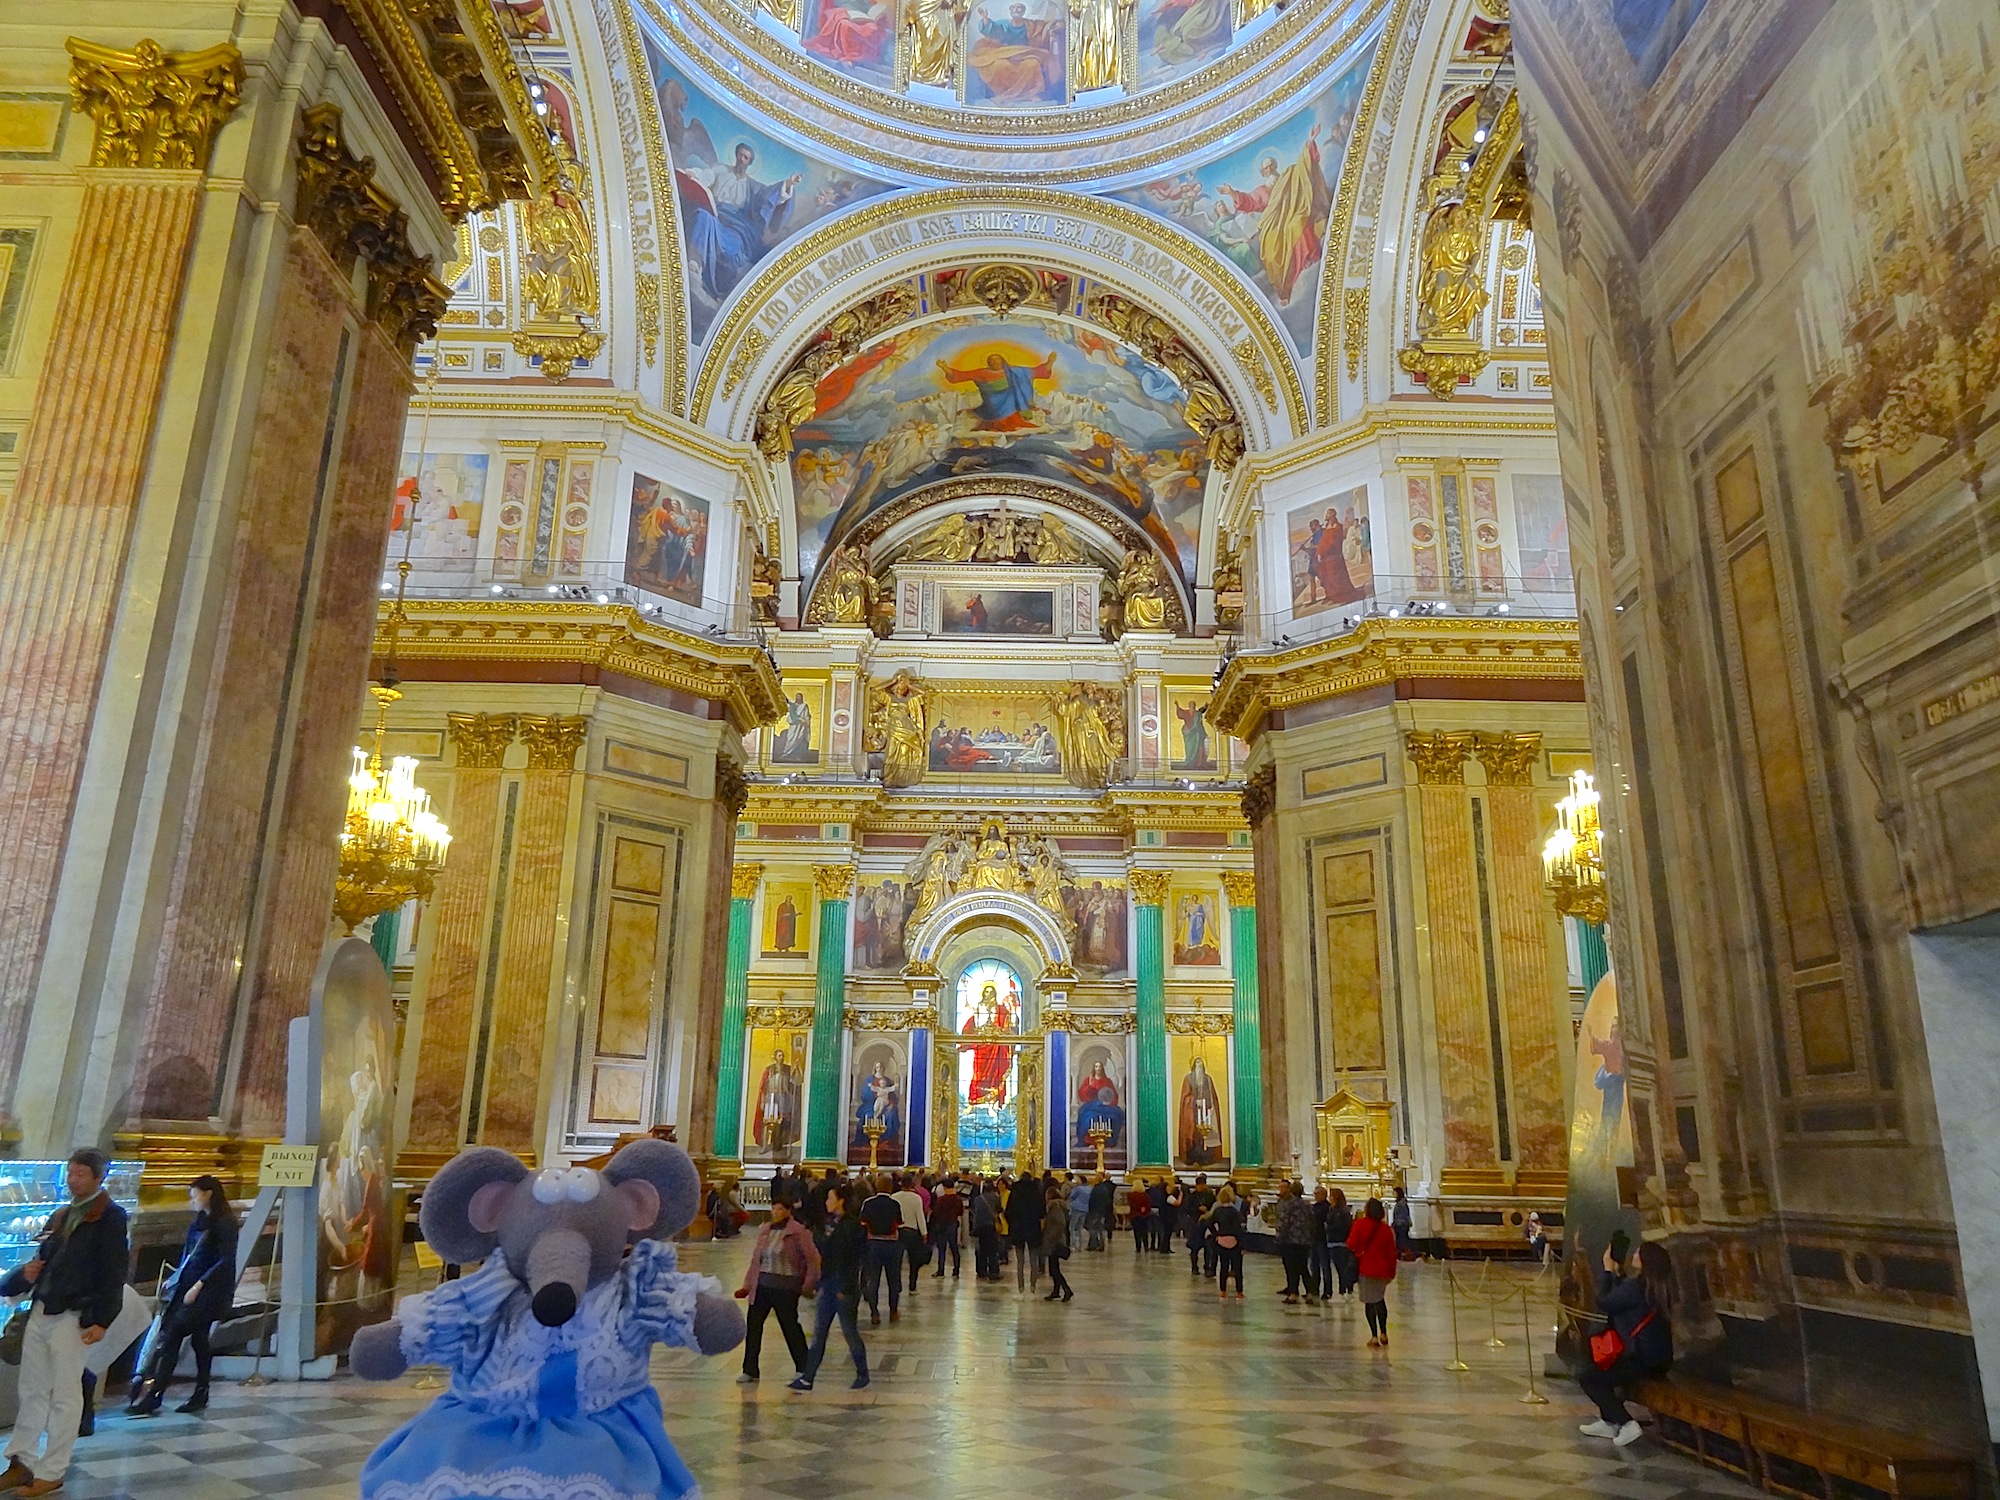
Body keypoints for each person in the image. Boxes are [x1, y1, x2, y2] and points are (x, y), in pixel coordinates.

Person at [0, 1150, 129, 1497]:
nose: (73, 1180)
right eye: (70, 1173)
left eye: (81, 1174)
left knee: (65, 1395)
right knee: (32, 1388)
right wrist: (27, 1273)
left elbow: (114, 1272)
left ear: (97, 1178)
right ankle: (22, 1461)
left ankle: (52, 1469)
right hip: (44, 1307)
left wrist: (102, 1319)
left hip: (75, 1314)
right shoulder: (62, 1215)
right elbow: (43, 1258)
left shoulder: (110, 1218)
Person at [128, 1176, 239, 1415]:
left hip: (208, 1291)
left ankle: (157, 1394)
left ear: (208, 1193)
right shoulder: (199, 1221)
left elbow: (226, 1260)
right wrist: (177, 1276)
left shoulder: (226, 1223)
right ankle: (200, 1391)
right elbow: (189, 1253)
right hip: (187, 1286)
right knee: (198, 1340)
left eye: (195, 1194)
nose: (192, 1200)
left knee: (174, 1334)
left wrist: (200, 1284)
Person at [1579, 1241, 1675, 1446]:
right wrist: (1618, 1274)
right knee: (1600, 1371)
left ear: (1645, 1260)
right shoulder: (1656, 1286)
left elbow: (1604, 1301)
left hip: (1640, 1359)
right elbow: (1625, 1297)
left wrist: (1607, 1271)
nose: (1634, 1254)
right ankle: (1608, 1421)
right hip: (1659, 1359)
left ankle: (1626, 1423)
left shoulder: (1637, 1287)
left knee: (1588, 1377)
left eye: (1638, 1252)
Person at [733, 1195, 819, 1385]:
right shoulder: (765, 1230)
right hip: (762, 1285)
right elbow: (756, 1261)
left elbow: (813, 1260)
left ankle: (803, 1366)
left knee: (790, 1327)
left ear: (788, 1211)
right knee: (753, 1327)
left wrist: (807, 1286)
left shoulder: (798, 1232)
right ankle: (750, 1370)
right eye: (774, 1208)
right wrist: (747, 1286)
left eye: (780, 1209)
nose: (776, 1212)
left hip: (786, 1288)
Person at [792, 1185, 867, 1391]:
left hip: (844, 1286)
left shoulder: (853, 1227)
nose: (826, 1202)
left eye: (830, 1198)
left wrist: (848, 1287)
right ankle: (808, 1377)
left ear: (840, 1201)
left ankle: (863, 1373)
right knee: (819, 1332)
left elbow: (855, 1261)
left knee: (849, 1332)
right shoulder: (826, 1225)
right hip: (827, 1282)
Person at [1348, 1197, 1399, 1347]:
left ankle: (1374, 1336)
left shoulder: (1360, 1224)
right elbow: (1391, 1252)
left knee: (1369, 1302)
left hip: (1366, 1268)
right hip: (1383, 1269)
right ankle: (1384, 1332)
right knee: (1379, 1299)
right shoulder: (1386, 1229)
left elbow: (1351, 1244)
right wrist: (1392, 1271)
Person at [857, 1176, 904, 1326]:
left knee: (874, 1280)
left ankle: (874, 1312)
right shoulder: (894, 1203)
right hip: (891, 1244)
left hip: (873, 1244)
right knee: (893, 1279)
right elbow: (899, 1222)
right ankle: (893, 1310)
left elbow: (862, 1222)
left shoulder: (868, 1203)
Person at [1274, 1181, 1314, 1305]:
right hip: (1304, 1240)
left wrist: (1279, 1237)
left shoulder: (1289, 1204)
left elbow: (1285, 1222)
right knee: (1303, 1267)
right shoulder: (1306, 1204)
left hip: (1290, 1240)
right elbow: (1312, 1221)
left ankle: (1293, 1294)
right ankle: (1310, 1293)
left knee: (1291, 1268)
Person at [1006, 1172, 1044, 1292]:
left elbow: (1008, 1212)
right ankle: (1033, 1285)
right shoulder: (1036, 1192)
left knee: (1020, 1260)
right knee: (1033, 1259)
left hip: (1018, 1227)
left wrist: (1012, 1223)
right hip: (1033, 1227)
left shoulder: (1015, 1192)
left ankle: (1020, 1286)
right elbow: (1042, 1212)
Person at [1206, 1186, 1245, 1300]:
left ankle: (1223, 1291)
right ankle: (1239, 1292)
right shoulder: (1234, 1212)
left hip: (1221, 1240)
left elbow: (1209, 1223)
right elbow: (1239, 1229)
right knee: (1237, 1268)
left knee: (1223, 1266)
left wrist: (1216, 1234)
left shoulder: (1218, 1211)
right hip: (1234, 1241)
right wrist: (1242, 1244)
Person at [891, 1174, 928, 1293]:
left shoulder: (894, 1197)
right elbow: (920, 1216)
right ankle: (912, 1286)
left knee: (897, 1261)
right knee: (913, 1260)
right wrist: (924, 1233)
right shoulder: (916, 1198)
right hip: (912, 1232)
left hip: (898, 1231)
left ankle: (897, 1285)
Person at [1040, 1185, 1073, 1303]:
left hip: (1054, 1241)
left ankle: (1067, 1290)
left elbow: (1060, 1223)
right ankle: (1056, 1291)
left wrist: (1050, 1236)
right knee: (1054, 1268)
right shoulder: (1061, 1205)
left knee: (1054, 1269)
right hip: (1057, 1240)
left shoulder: (1054, 1206)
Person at [929, 1178, 963, 1279]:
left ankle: (941, 1270)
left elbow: (936, 1212)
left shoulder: (941, 1200)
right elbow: (960, 1212)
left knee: (942, 1248)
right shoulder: (958, 1199)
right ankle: (956, 1270)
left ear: (944, 1187)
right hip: (952, 1224)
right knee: (954, 1248)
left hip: (942, 1225)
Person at [1327, 1189, 1358, 1297]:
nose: (1329, 1198)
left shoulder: (1340, 1211)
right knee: (1342, 1267)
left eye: (1331, 1196)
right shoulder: (1334, 1209)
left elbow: (1341, 1226)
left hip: (1339, 1241)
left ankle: (1343, 1289)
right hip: (1336, 1241)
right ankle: (1346, 1287)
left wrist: (1327, 1227)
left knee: (1341, 1268)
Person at [971, 1179, 1003, 1281]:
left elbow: (974, 1209)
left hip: (979, 1226)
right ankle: (993, 1272)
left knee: (981, 1248)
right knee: (992, 1249)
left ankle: (981, 1270)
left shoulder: (977, 1199)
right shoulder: (995, 1197)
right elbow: (999, 1209)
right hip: (990, 1225)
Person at [1086, 1174, 1114, 1252]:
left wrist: (1090, 1210)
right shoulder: (1104, 1189)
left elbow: (1092, 1201)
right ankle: (1102, 1245)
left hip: (1095, 1211)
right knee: (1101, 1229)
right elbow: (1107, 1201)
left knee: (1092, 1228)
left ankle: (1093, 1244)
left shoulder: (1096, 1189)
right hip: (1102, 1211)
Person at [1127, 1177, 1152, 1253]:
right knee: (1144, 1231)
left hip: (1134, 1215)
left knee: (1136, 1232)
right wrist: (1143, 1209)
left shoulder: (1130, 1195)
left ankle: (1138, 1247)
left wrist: (1138, 1208)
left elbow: (1131, 1205)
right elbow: (1148, 1204)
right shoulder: (1145, 1195)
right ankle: (1146, 1246)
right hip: (1144, 1215)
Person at [1391, 1184, 1416, 1260]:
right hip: (1399, 1223)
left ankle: (1410, 1253)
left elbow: (1405, 1213)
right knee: (1401, 1240)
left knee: (1403, 1240)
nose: (1393, 1195)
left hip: (1401, 1224)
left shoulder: (1402, 1203)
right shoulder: (1400, 1203)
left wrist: (1408, 1221)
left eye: (1394, 1193)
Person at [1148, 1177, 1172, 1253]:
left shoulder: (1150, 1190)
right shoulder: (1161, 1191)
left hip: (1151, 1209)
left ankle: (1152, 1244)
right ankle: (1160, 1245)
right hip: (1159, 1210)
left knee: (1152, 1228)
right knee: (1160, 1229)